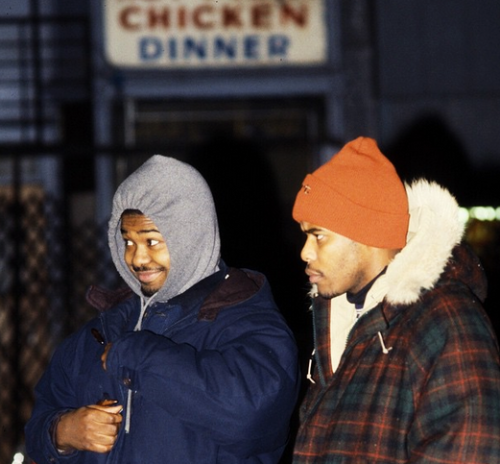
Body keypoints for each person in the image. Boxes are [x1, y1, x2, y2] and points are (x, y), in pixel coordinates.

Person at [25, 155, 300, 464]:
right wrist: (62, 432)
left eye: (152, 241)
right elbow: (40, 420)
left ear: (188, 236)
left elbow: (252, 414)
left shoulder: (248, 321)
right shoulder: (103, 329)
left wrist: (139, 356)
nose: (138, 259)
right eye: (127, 241)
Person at [291, 136, 500, 463]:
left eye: (318, 235)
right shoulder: (340, 322)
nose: (305, 252)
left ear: (367, 235)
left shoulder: (448, 323)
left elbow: (472, 450)